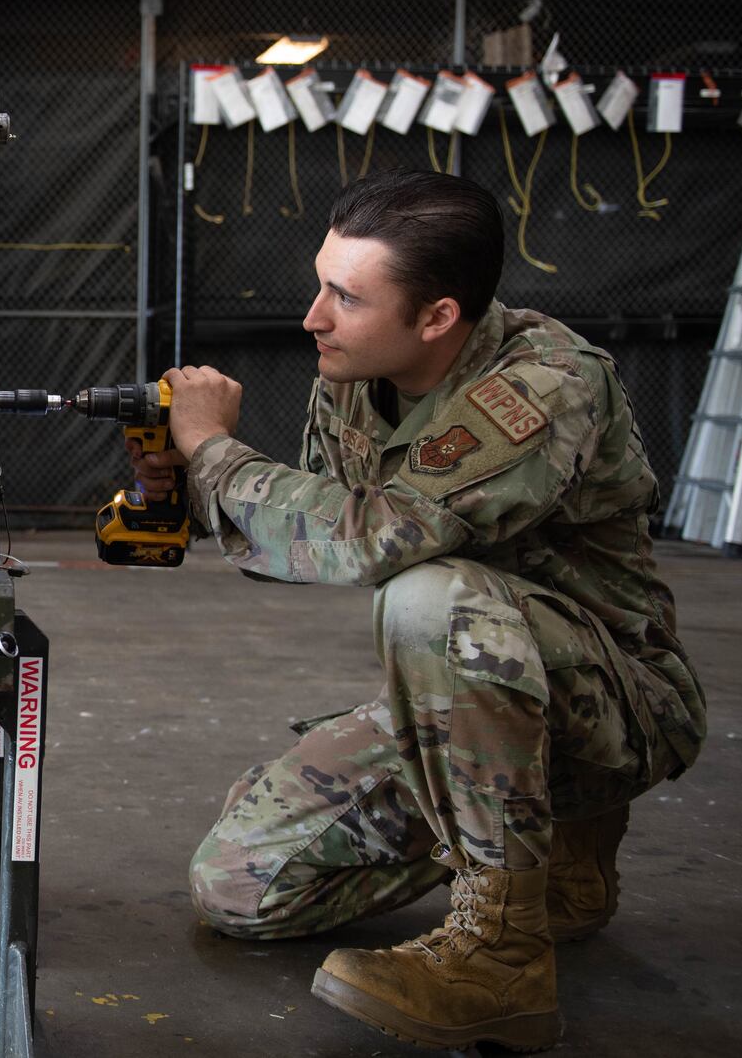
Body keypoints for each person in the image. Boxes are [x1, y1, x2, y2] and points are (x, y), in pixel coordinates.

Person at [128, 169, 706, 1052]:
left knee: (431, 595)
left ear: (437, 316)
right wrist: (187, 487)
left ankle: (500, 955)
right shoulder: (355, 377)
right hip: (472, 696)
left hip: (614, 700)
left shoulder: (546, 386)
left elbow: (376, 541)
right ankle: (555, 870)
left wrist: (214, 450)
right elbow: (314, 541)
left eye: (346, 297)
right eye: (321, 281)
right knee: (237, 884)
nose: (313, 316)